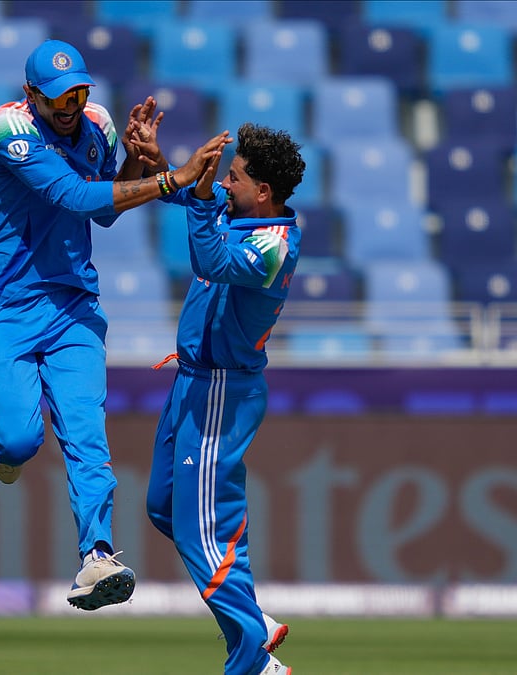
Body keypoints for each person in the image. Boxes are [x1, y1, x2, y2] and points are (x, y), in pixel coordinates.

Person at [0, 38, 228, 611]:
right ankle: (3, 443)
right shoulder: (7, 132)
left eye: (79, 92)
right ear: (31, 94)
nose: (71, 104)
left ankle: (97, 555)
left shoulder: (99, 123)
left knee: (86, 432)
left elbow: (105, 210)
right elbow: (77, 196)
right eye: (59, 95)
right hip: (5, 305)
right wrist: (171, 178)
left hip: (74, 304)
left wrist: (135, 159)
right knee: (19, 441)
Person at [132, 121, 305, 675]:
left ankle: (253, 655)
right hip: (191, 381)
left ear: (264, 193)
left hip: (222, 392)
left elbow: (210, 260)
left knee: (202, 528)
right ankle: (253, 618)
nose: (225, 186)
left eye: (234, 179)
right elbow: (193, 196)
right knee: (166, 507)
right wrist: (165, 163)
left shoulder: (272, 246)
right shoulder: (239, 215)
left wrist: (202, 195)